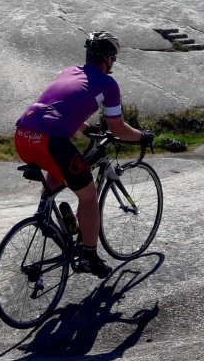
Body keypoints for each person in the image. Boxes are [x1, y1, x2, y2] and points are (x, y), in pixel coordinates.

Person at [14, 31, 155, 278]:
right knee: (88, 197)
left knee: (59, 169)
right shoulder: (108, 84)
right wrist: (142, 136)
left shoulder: (69, 71)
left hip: (24, 135)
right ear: (109, 59)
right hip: (51, 140)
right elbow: (118, 128)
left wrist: (86, 128)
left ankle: (45, 216)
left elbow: (58, 107)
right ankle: (89, 255)